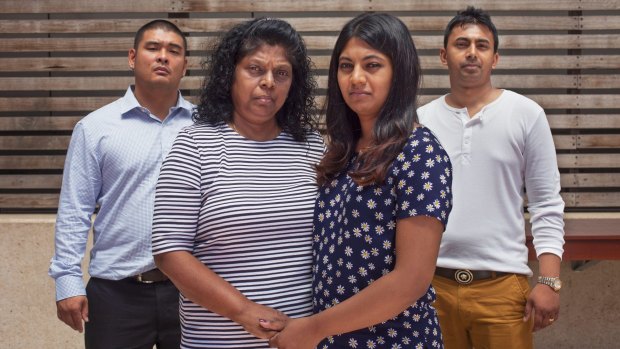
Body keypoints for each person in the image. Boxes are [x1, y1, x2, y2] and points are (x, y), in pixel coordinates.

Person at [261, 13, 452, 349]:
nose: (356, 78)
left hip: (394, 340)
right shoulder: (344, 151)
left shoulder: (420, 152)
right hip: (334, 339)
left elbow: (411, 280)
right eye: (346, 66)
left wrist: (312, 329)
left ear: (399, 73)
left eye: (372, 65)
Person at [150, 17, 324, 348]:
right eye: (255, 69)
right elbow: (169, 251)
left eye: (282, 73)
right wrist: (245, 312)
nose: (269, 82)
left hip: (300, 340)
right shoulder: (195, 146)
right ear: (230, 75)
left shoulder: (312, 147)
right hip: (218, 341)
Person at [417, 6, 565, 349]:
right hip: (430, 288)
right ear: (443, 55)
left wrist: (549, 281)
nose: (472, 52)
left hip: (502, 289)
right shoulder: (420, 122)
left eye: (482, 45)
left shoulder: (526, 115)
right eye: (461, 44)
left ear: (495, 58)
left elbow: (545, 204)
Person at [48, 19, 193, 348]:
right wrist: (67, 281)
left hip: (191, 293)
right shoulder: (95, 128)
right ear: (132, 57)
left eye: (173, 51)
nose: (162, 57)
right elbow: (75, 208)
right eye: (152, 48)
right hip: (117, 294)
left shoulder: (205, 127)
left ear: (185, 65)